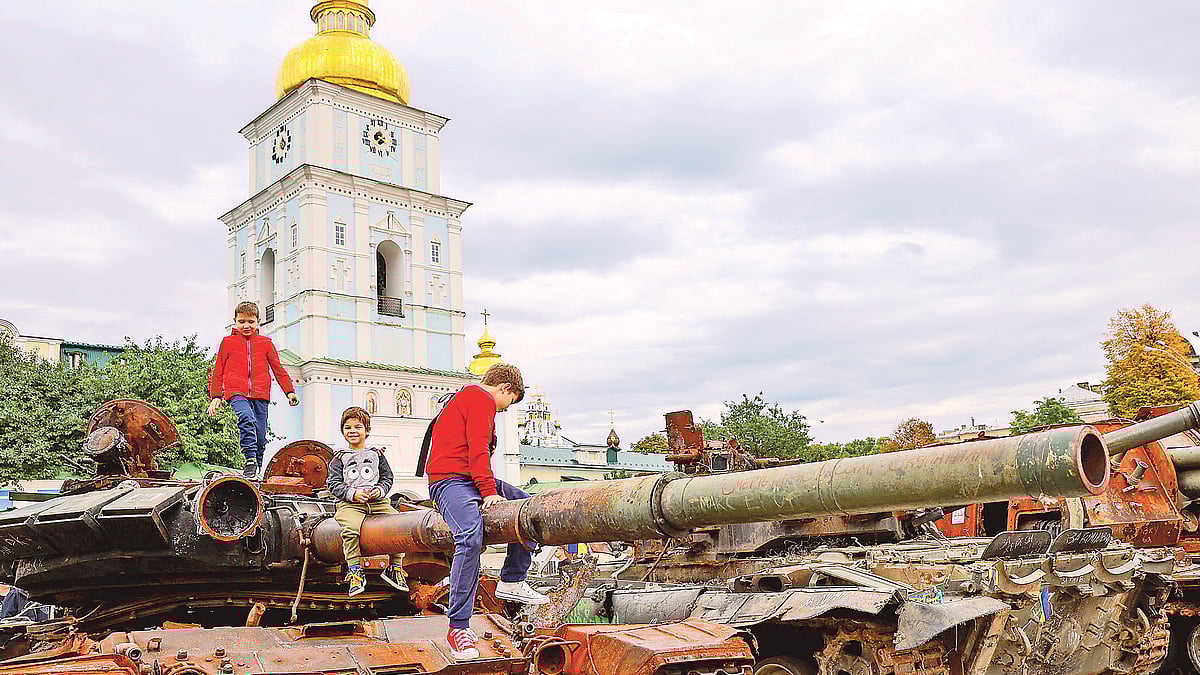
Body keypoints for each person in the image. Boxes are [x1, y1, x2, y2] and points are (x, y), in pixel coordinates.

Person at [426, 363, 548, 661]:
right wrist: (489, 491)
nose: (506, 410)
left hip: (468, 478)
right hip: (449, 481)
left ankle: (512, 580)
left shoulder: (466, 399)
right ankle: (458, 627)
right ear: (505, 389)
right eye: (510, 402)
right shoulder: (479, 399)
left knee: (528, 507)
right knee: (469, 537)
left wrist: (486, 486)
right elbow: (477, 447)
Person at [206, 301, 299, 477]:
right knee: (246, 418)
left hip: (260, 394)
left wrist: (290, 391)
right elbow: (218, 370)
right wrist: (216, 396)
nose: (246, 325)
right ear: (235, 321)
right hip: (237, 392)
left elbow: (278, 369)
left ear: (258, 322)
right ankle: (249, 459)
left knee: (261, 435)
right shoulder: (228, 342)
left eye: (250, 321)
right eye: (241, 322)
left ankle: (256, 467)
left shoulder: (266, 343)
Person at [327, 406, 408, 597]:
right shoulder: (339, 458)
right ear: (343, 432)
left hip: (378, 503)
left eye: (358, 427)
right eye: (348, 428)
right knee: (350, 530)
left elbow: (387, 478)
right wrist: (352, 494)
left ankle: (395, 567)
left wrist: (380, 490)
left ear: (367, 431)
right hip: (351, 505)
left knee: (400, 526)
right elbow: (333, 484)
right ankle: (355, 571)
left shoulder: (377, 455)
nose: (353, 431)